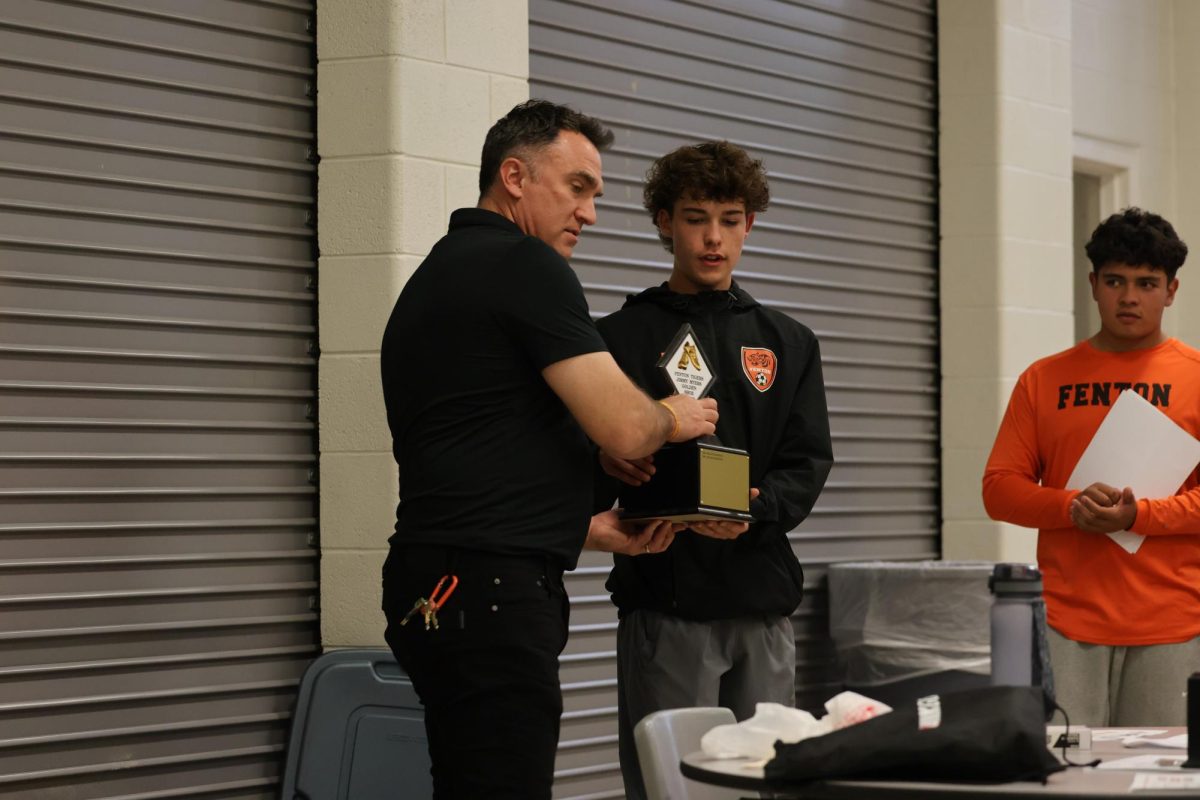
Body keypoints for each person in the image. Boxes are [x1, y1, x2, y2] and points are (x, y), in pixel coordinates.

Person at [378, 100, 719, 799]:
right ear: (513, 176)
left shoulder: (436, 277)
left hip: (441, 580)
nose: (589, 214)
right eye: (578, 187)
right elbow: (626, 428)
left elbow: (479, 453)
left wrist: (585, 525)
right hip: (489, 594)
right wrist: (672, 416)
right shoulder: (524, 266)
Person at [593, 140, 834, 800]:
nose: (713, 237)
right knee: (677, 788)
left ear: (749, 224)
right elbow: (580, 454)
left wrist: (753, 512)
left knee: (766, 783)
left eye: (730, 219)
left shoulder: (788, 341)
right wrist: (607, 461)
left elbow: (807, 460)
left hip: (763, 601)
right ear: (665, 221)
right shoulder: (617, 338)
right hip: (667, 599)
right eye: (696, 217)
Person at [982, 207, 1199, 727]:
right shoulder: (1044, 379)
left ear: (1171, 290)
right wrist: (1070, 506)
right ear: (1092, 284)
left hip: (1174, 624)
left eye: (1147, 283)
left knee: (1163, 779)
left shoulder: (1195, 377)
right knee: (1069, 776)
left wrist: (1138, 516)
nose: (1129, 297)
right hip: (1066, 624)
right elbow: (999, 489)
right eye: (1115, 281)